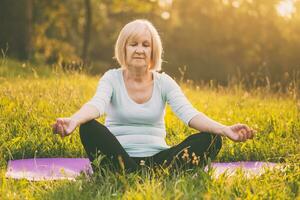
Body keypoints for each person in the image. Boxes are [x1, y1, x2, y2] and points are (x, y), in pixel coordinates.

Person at [52, 19, 255, 173]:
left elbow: (190, 115)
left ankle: (137, 175)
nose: (139, 50)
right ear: (124, 48)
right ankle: (136, 173)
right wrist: (74, 120)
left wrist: (225, 130)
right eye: (133, 44)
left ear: (153, 50)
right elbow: (96, 105)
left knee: (212, 139)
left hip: (159, 159)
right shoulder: (111, 78)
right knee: (88, 127)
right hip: (119, 157)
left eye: (145, 45)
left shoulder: (164, 82)